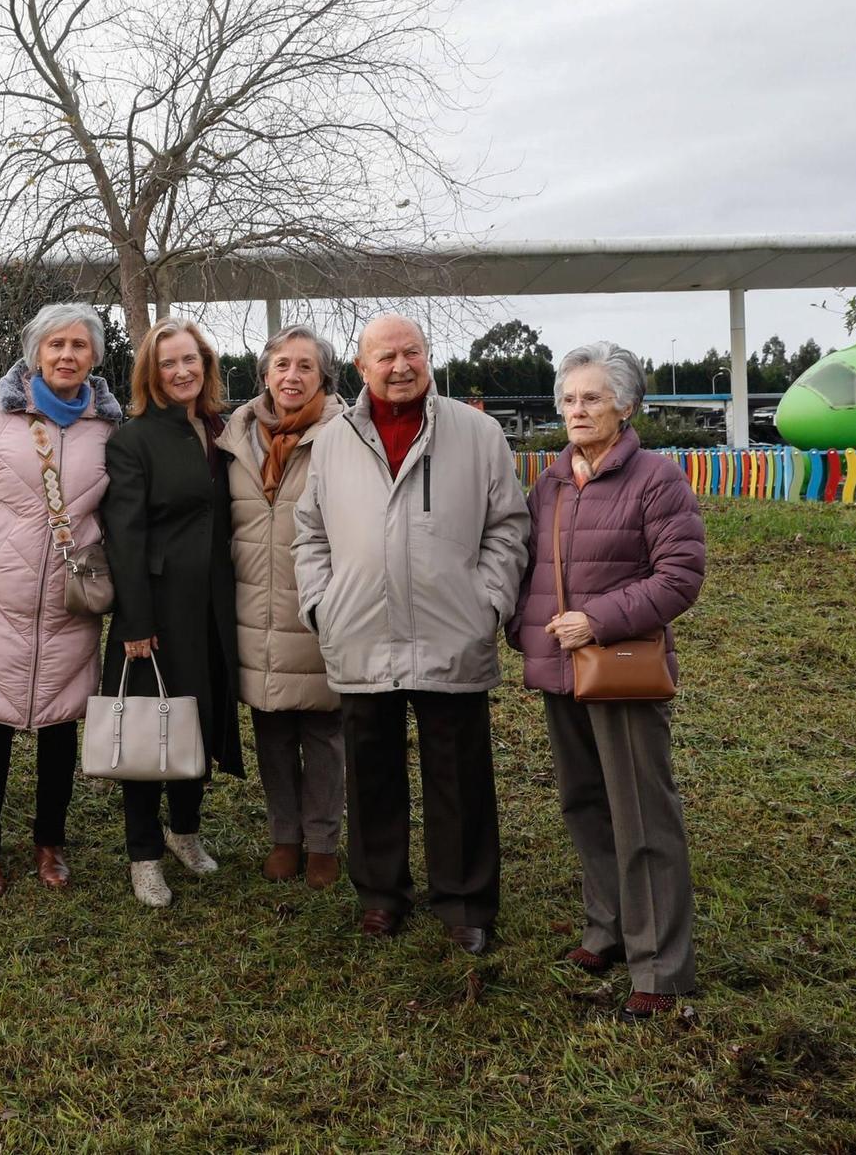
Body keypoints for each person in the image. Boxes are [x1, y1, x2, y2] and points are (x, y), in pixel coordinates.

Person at [293, 314, 529, 951]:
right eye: (385, 357)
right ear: (362, 368)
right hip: (361, 631)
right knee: (369, 773)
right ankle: (380, 895)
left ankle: (465, 903)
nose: (400, 367)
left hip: (453, 630)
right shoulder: (334, 439)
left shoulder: (477, 433)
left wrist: (489, 603)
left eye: (412, 353)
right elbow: (310, 534)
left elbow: (508, 525)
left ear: (428, 357)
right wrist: (322, 605)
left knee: (460, 774)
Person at [509, 341, 705, 1022]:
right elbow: (529, 568)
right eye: (568, 399)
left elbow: (680, 577)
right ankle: (609, 930)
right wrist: (524, 635)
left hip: (620, 669)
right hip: (558, 673)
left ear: (625, 404)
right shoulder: (551, 481)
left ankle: (661, 963)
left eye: (591, 397)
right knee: (585, 803)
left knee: (642, 813)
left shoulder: (656, 479)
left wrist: (597, 621)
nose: (577, 410)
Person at [0, 303, 122, 897]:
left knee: (61, 729)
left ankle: (49, 844)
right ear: (36, 353)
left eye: (79, 346)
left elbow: (122, 506)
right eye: (56, 345)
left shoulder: (110, 428)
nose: (67, 355)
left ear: (94, 356)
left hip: (71, 599)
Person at [100, 318, 246, 908]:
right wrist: (135, 622)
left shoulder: (222, 430)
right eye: (168, 364)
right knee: (145, 731)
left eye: (191, 360)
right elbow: (124, 536)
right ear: (150, 374)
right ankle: (144, 857)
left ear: (207, 365)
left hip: (214, 605)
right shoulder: (132, 440)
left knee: (198, 719)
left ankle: (184, 831)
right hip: (155, 611)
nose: (182, 371)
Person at [222, 325, 348, 889]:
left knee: (324, 731)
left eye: (305, 367)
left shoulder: (344, 435)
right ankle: (284, 836)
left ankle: (323, 841)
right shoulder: (235, 436)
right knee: (270, 727)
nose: (292, 377)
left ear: (323, 376)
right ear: (265, 375)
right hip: (254, 604)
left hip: (320, 604)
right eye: (282, 366)